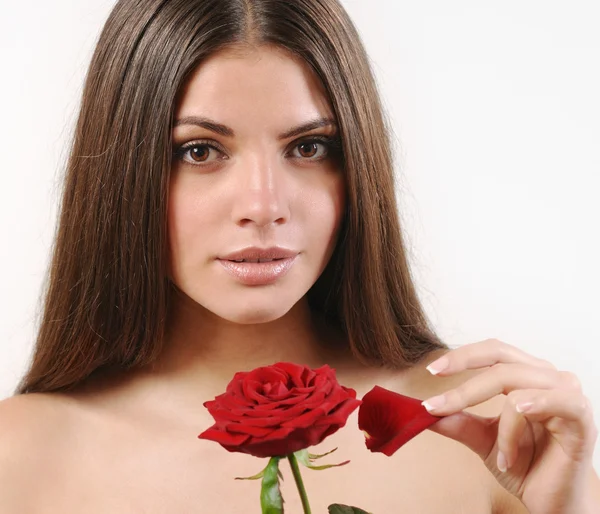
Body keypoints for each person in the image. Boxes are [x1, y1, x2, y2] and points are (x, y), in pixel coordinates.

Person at [0, 0, 598, 512]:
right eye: (200, 151)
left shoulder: (485, 432)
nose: (263, 205)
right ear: (123, 169)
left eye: (308, 146)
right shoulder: (18, 455)